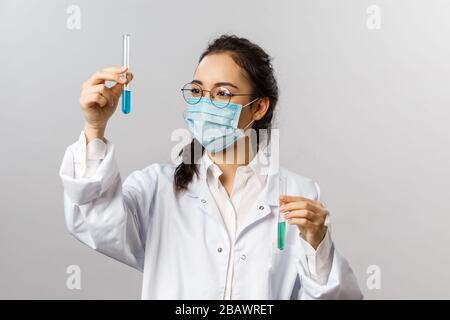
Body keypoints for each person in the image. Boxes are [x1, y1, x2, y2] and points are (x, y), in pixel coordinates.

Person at [59, 34, 363, 299]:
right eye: (197, 91)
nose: (205, 104)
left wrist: (318, 246)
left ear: (258, 107)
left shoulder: (298, 194)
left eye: (223, 93)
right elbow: (94, 223)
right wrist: (94, 128)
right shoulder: (157, 189)